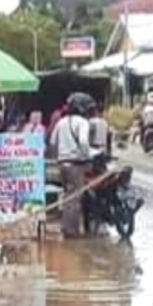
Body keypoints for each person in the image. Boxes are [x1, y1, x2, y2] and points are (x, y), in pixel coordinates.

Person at [50, 93, 95, 238]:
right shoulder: (82, 123)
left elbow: (52, 142)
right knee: (74, 199)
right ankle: (71, 232)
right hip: (76, 165)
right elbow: (83, 142)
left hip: (62, 165)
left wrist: (60, 154)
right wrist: (86, 155)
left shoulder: (61, 122)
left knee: (68, 196)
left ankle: (67, 227)